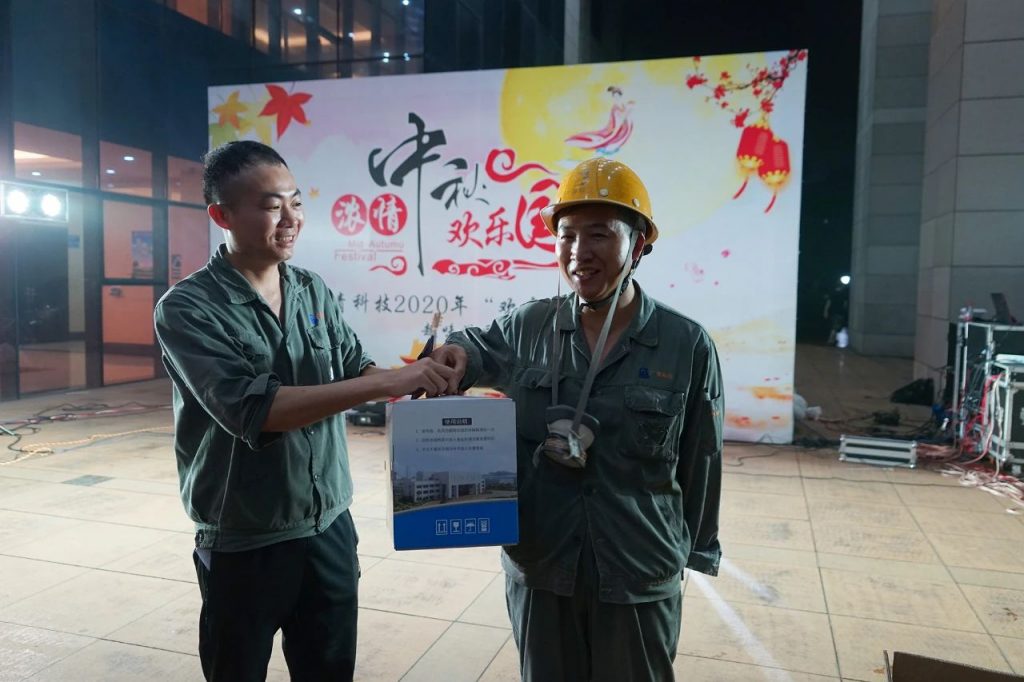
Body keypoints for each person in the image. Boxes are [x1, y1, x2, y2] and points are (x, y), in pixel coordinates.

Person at [154, 141, 457, 682]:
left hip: (329, 526)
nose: (291, 219)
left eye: (295, 202)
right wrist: (390, 381)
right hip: (246, 536)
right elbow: (257, 411)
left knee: (329, 670)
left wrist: (420, 374)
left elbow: (355, 368)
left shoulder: (312, 290)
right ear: (222, 216)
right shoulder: (188, 308)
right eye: (272, 206)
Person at [431, 157, 723, 681]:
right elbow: (474, 348)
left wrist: (694, 552)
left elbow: (703, 459)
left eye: (599, 235)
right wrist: (454, 356)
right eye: (566, 235)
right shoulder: (530, 326)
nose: (578, 251)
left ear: (637, 245)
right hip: (543, 564)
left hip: (638, 571)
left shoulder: (685, 344)